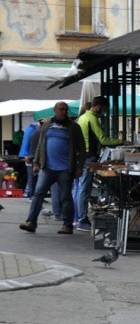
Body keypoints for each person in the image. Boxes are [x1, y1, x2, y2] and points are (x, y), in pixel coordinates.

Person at [19, 102, 84, 235]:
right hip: (47, 167)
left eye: (66, 110)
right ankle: (31, 222)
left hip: (65, 169)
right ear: (55, 111)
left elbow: (81, 149)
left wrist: (79, 167)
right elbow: (40, 146)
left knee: (66, 197)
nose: (64, 112)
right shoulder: (47, 126)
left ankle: (67, 225)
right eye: (61, 109)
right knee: (38, 194)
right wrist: (36, 163)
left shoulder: (74, 127)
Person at [74, 96, 123, 231]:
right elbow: (103, 140)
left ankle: (78, 218)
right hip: (88, 157)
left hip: (80, 156)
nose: (104, 112)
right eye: (104, 109)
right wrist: (121, 141)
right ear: (99, 107)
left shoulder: (82, 117)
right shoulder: (92, 119)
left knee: (79, 189)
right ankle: (82, 220)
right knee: (84, 189)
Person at [19, 120, 40, 198]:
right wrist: (25, 154)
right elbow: (26, 141)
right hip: (30, 155)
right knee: (32, 176)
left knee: (35, 176)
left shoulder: (35, 128)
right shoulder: (32, 128)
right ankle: (30, 194)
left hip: (35, 154)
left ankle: (31, 193)